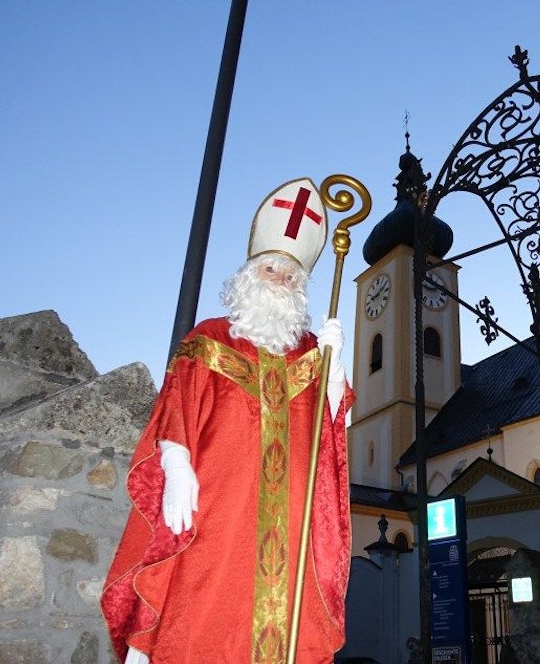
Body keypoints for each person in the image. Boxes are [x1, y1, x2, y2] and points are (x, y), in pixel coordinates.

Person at [101, 180, 354, 663]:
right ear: (249, 274)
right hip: (217, 508)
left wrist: (335, 367)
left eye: (291, 275)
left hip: (291, 521)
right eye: (271, 268)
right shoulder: (210, 338)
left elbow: (334, 428)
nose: (280, 279)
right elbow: (177, 404)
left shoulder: (310, 353)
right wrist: (176, 466)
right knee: (201, 607)